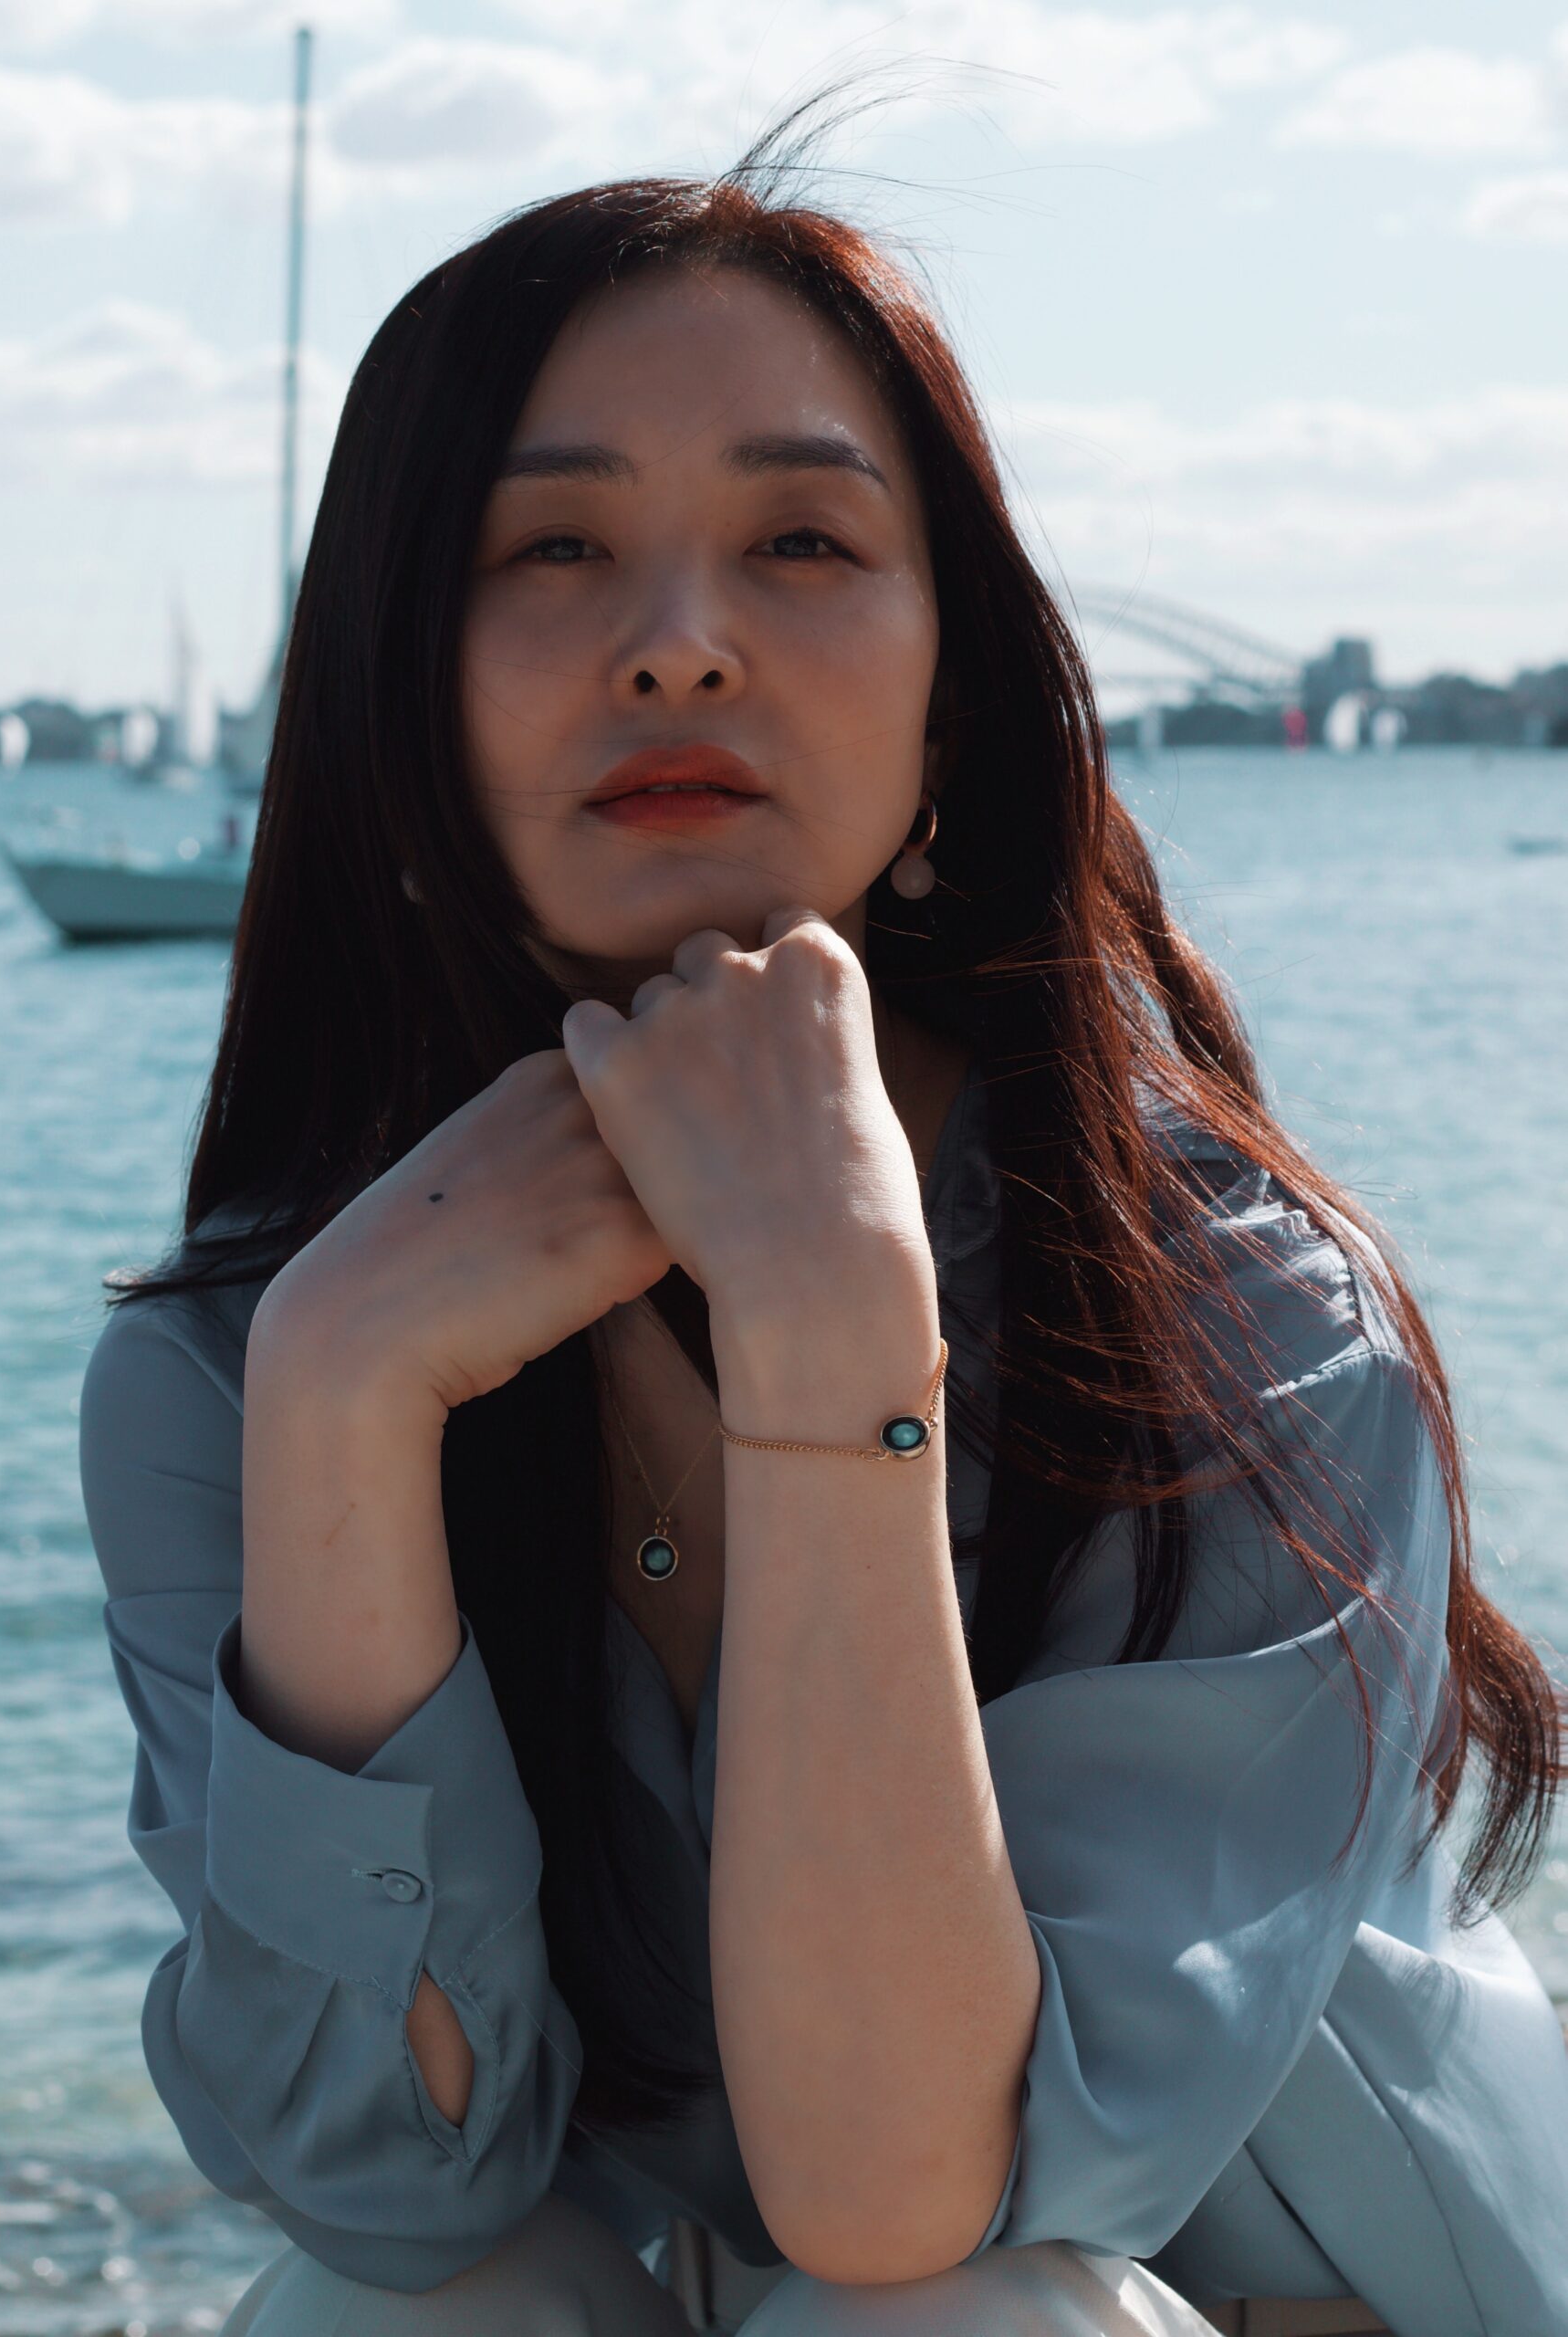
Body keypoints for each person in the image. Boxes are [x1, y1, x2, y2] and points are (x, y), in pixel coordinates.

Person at [78, 131, 1568, 2337]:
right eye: (553, 547)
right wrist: (342, 1406)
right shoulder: (246, 1363)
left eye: (800, 540)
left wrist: (830, 1331)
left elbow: (906, 2202)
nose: (680, 648)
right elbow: (393, 2186)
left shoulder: (1244, 1317)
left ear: (947, 689)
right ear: (399, 682)